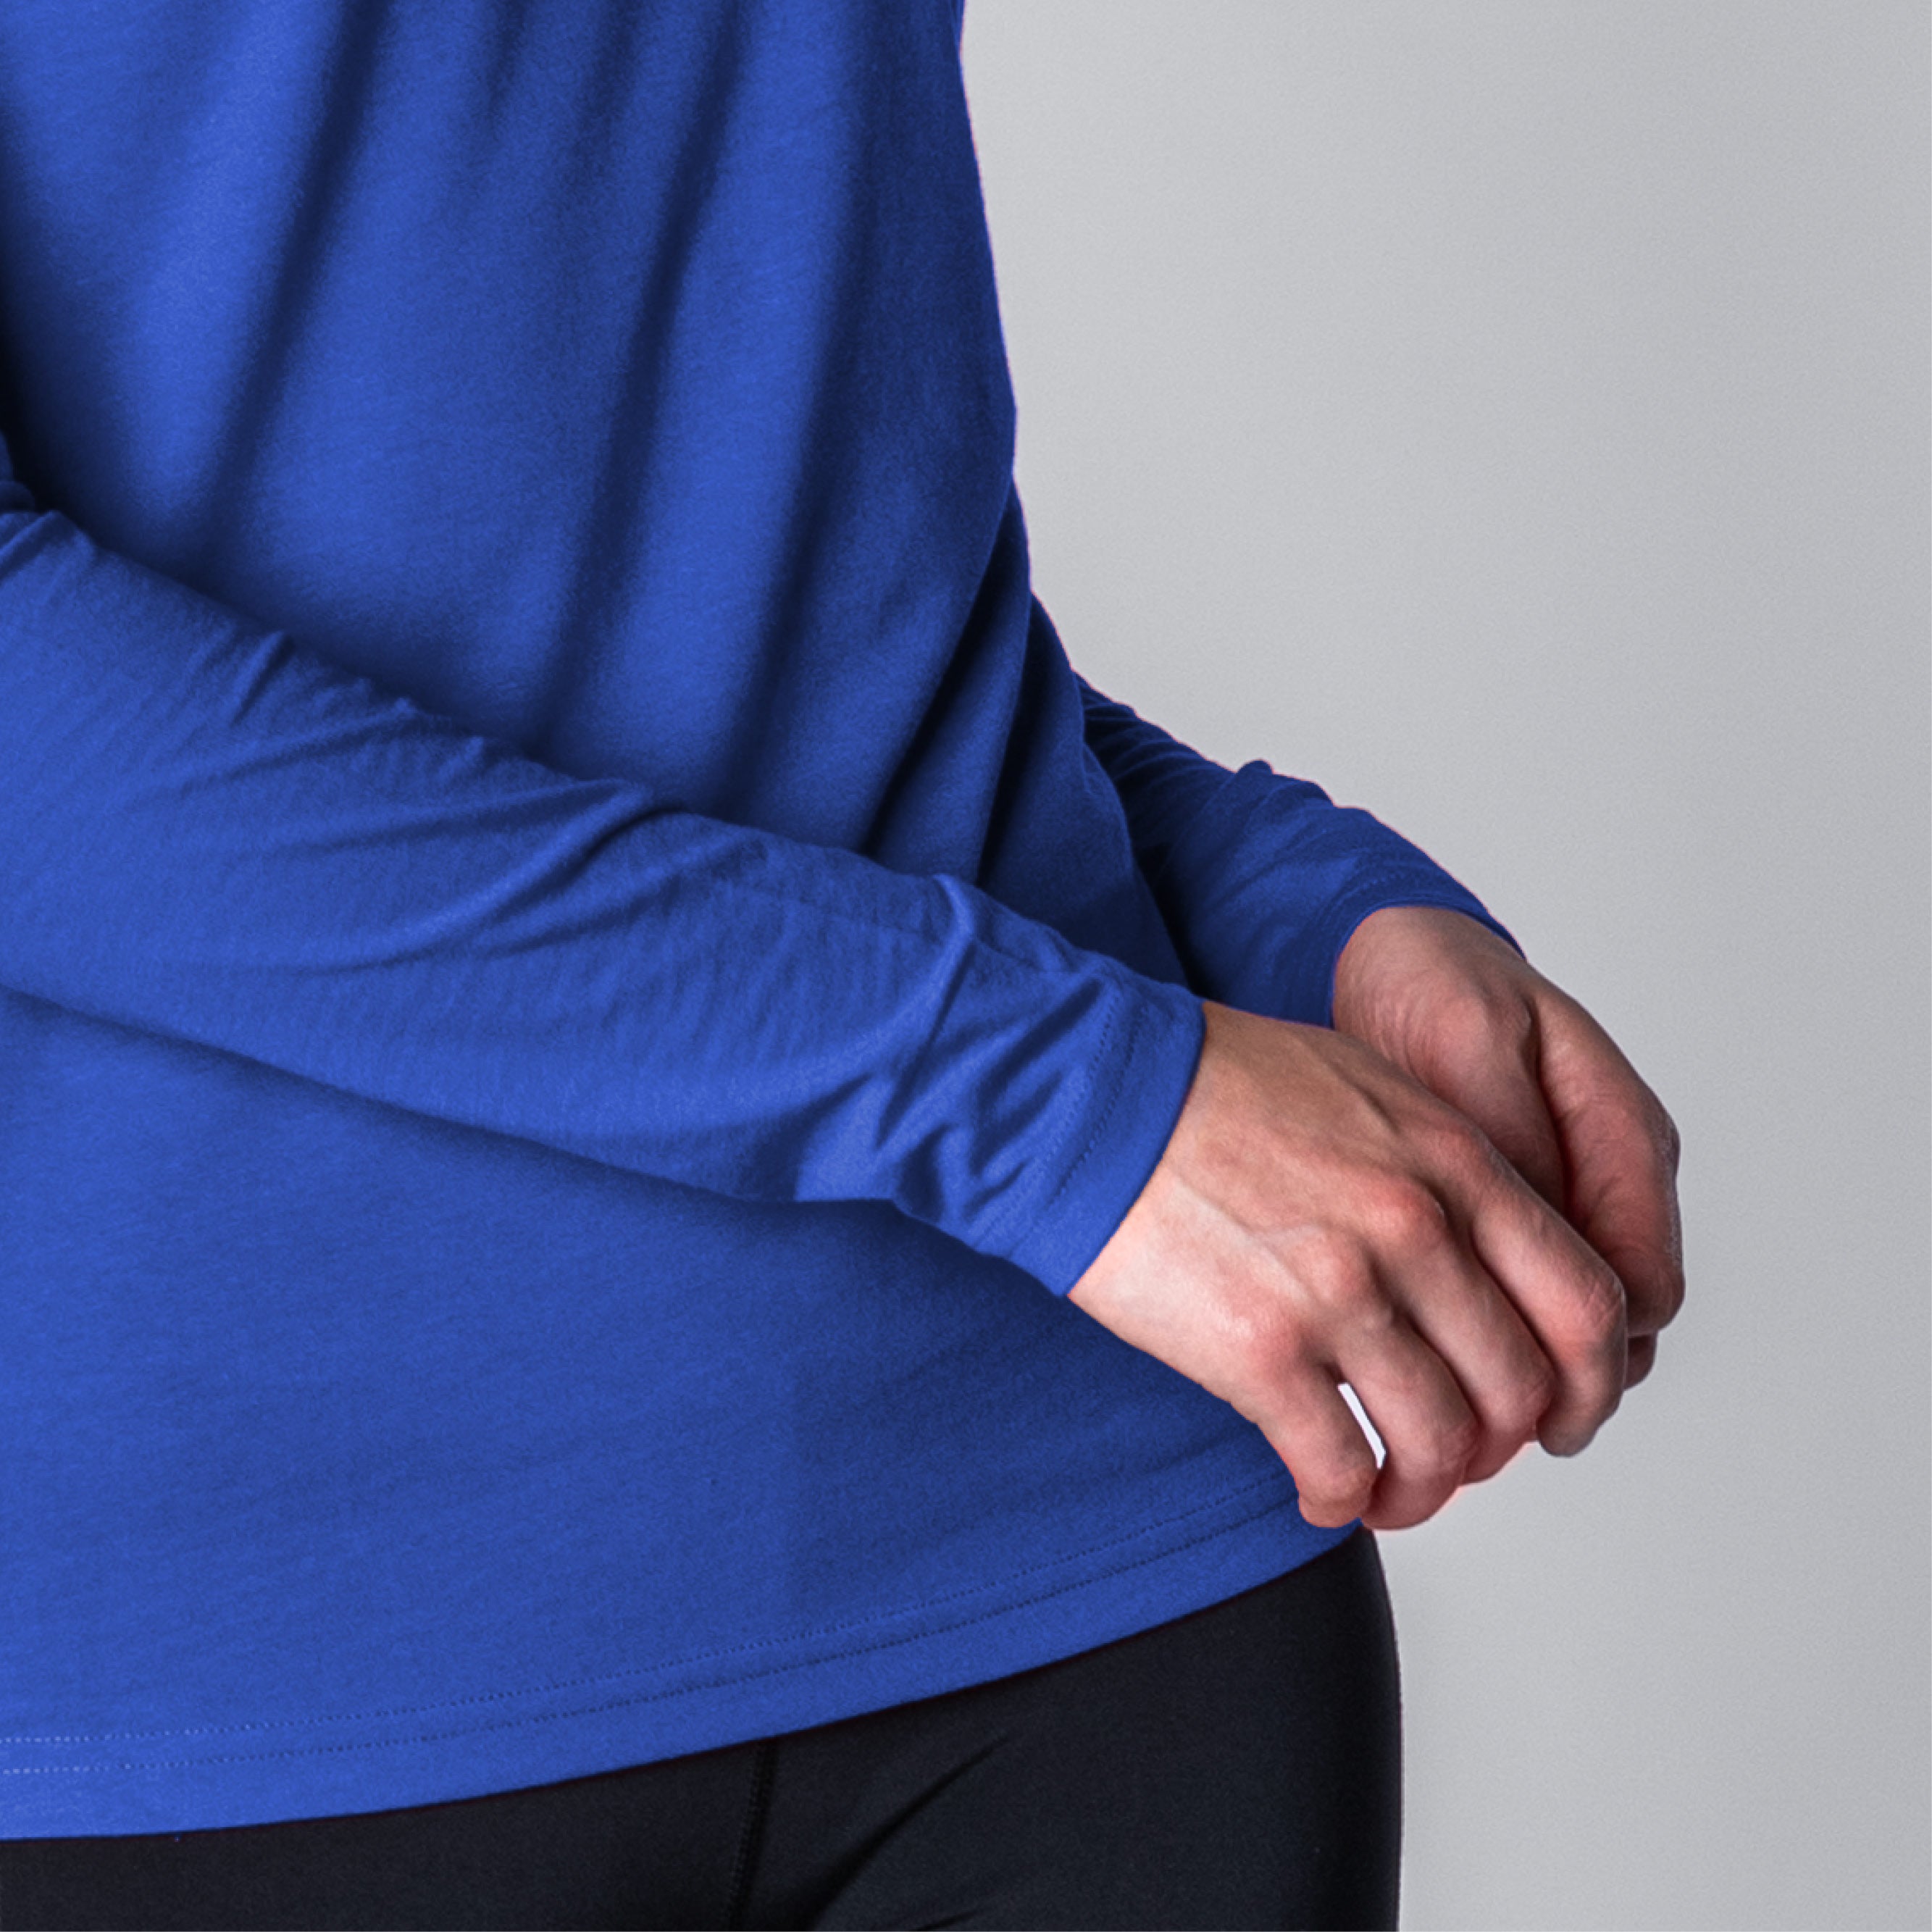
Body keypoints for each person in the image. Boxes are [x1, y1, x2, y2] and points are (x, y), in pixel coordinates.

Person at [0, 2, 1682, 1926]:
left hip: (1088, 1563)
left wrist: (1278, 900)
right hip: (233, 1667)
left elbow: (724, 551)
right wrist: (1053, 1092)